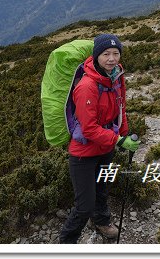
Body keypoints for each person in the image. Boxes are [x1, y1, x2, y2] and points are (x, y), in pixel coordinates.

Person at [59, 33, 140, 244]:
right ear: (96, 56)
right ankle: (66, 242)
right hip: (84, 154)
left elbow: (120, 108)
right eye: (106, 54)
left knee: (103, 188)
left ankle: (102, 221)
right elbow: (88, 129)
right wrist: (119, 141)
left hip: (106, 149)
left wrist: (123, 134)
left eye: (116, 53)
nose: (112, 59)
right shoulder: (87, 86)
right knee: (84, 206)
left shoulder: (117, 76)